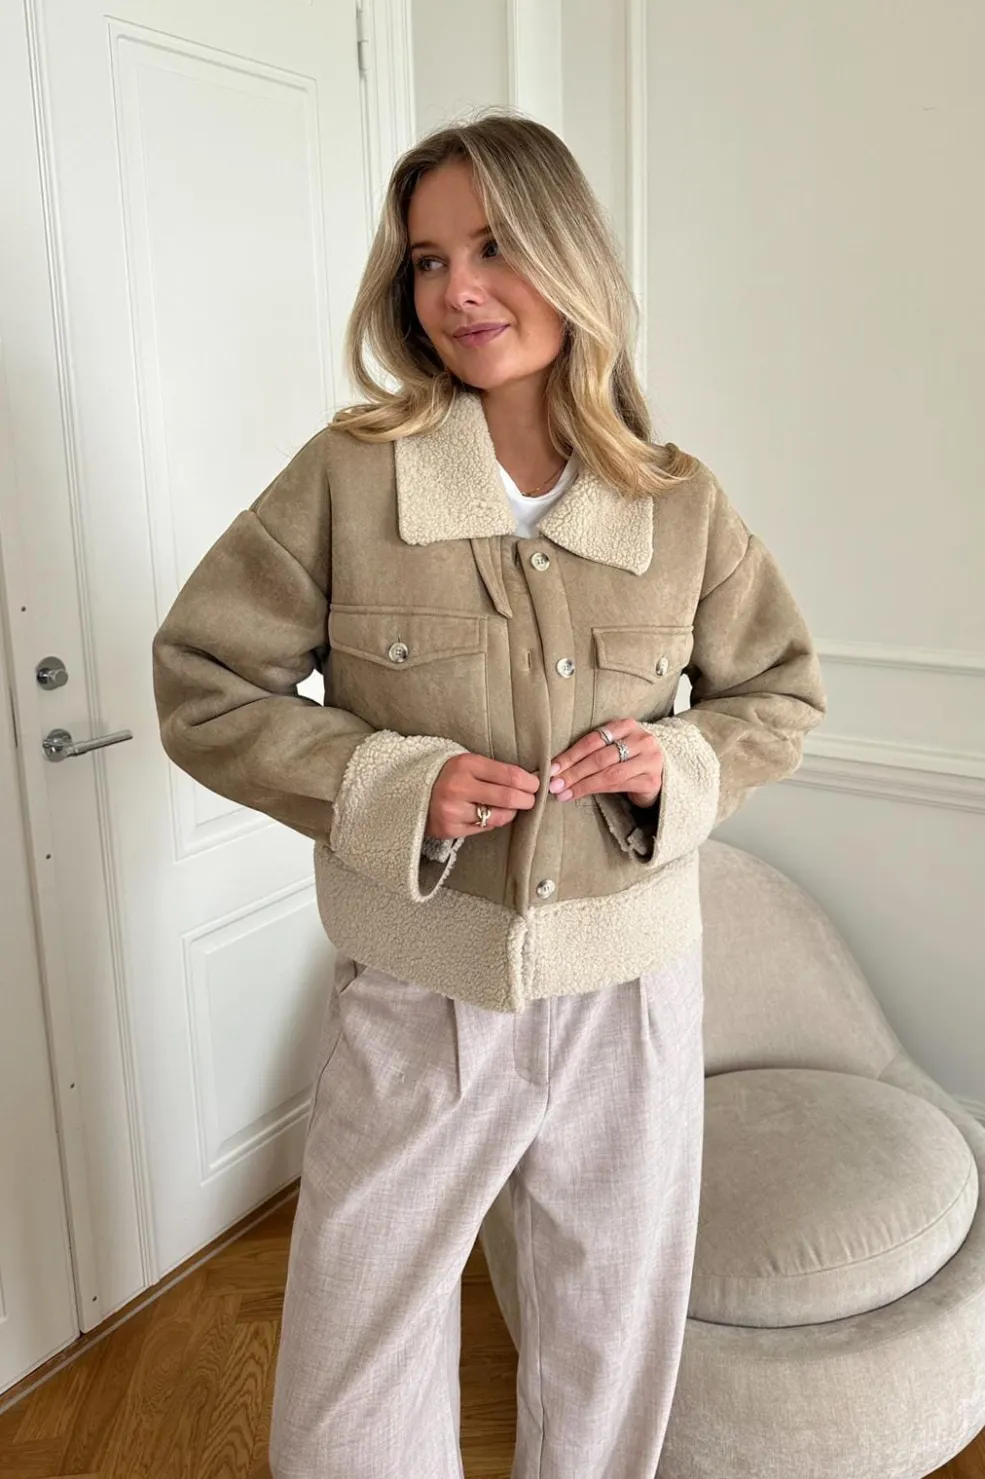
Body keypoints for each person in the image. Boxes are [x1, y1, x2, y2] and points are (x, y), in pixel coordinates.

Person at [152, 110, 826, 1479]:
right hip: (418, 992)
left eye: (495, 247)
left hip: (631, 999)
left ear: (571, 258)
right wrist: (388, 781)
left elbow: (779, 695)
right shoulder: (350, 476)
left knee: (607, 1348)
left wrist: (679, 764)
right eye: (428, 260)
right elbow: (203, 681)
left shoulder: (679, 503)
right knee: (348, 1386)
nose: (458, 290)